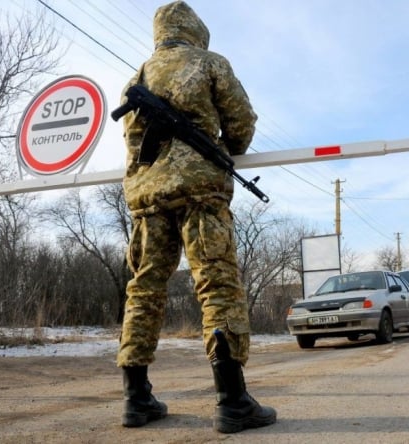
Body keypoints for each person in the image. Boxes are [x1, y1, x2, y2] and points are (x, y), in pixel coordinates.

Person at [116, 0, 276, 434]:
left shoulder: (138, 76)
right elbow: (240, 125)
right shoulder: (209, 63)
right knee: (217, 284)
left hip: (147, 200)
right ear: (195, 29)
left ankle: (136, 398)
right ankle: (232, 400)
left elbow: (133, 144)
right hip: (200, 193)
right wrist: (220, 149)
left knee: (143, 290)